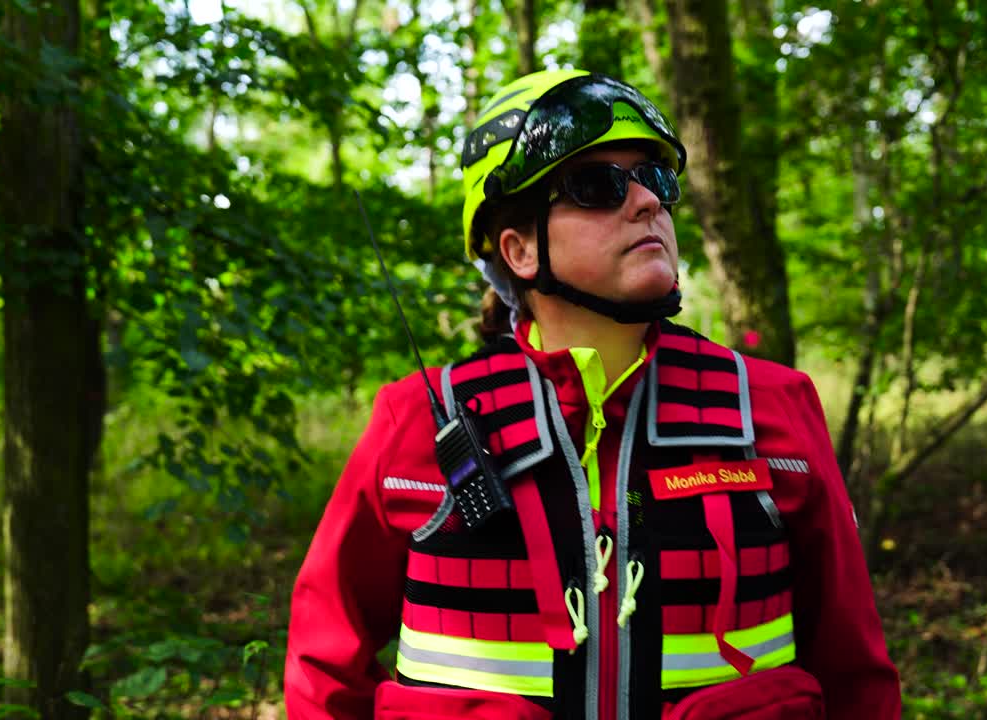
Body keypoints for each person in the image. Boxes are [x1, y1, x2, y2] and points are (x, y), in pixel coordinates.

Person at [285, 69, 900, 720]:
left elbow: (855, 675)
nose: (648, 202)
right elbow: (323, 668)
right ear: (519, 250)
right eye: (598, 185)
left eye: (655, 179)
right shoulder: (418, 419)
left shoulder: (773, 406)